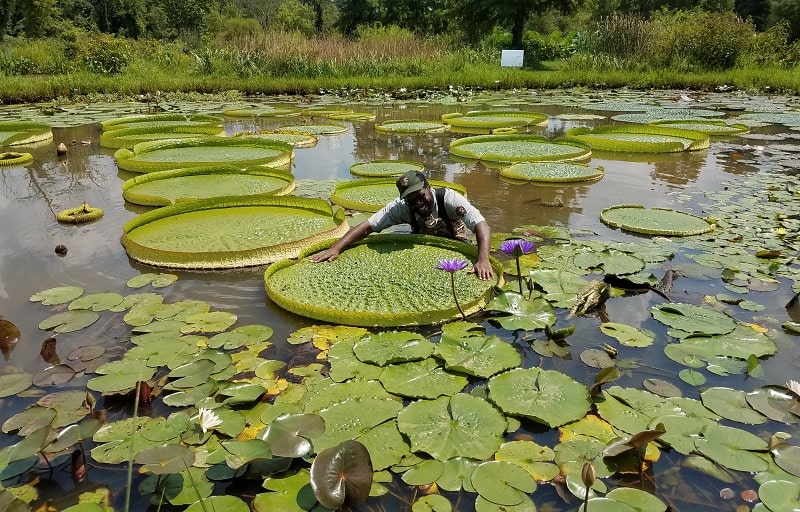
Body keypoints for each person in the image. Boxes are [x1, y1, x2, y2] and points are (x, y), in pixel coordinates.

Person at [311, 170, 494, 280]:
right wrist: (336, 248)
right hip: (423, 247)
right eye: (411, 200)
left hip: (456, 241)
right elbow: (367, 227)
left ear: (428, 187)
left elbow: (481, 225)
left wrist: (483, 259)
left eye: (420, 195)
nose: (418, 203)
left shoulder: (449, 198)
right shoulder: (401, 208)